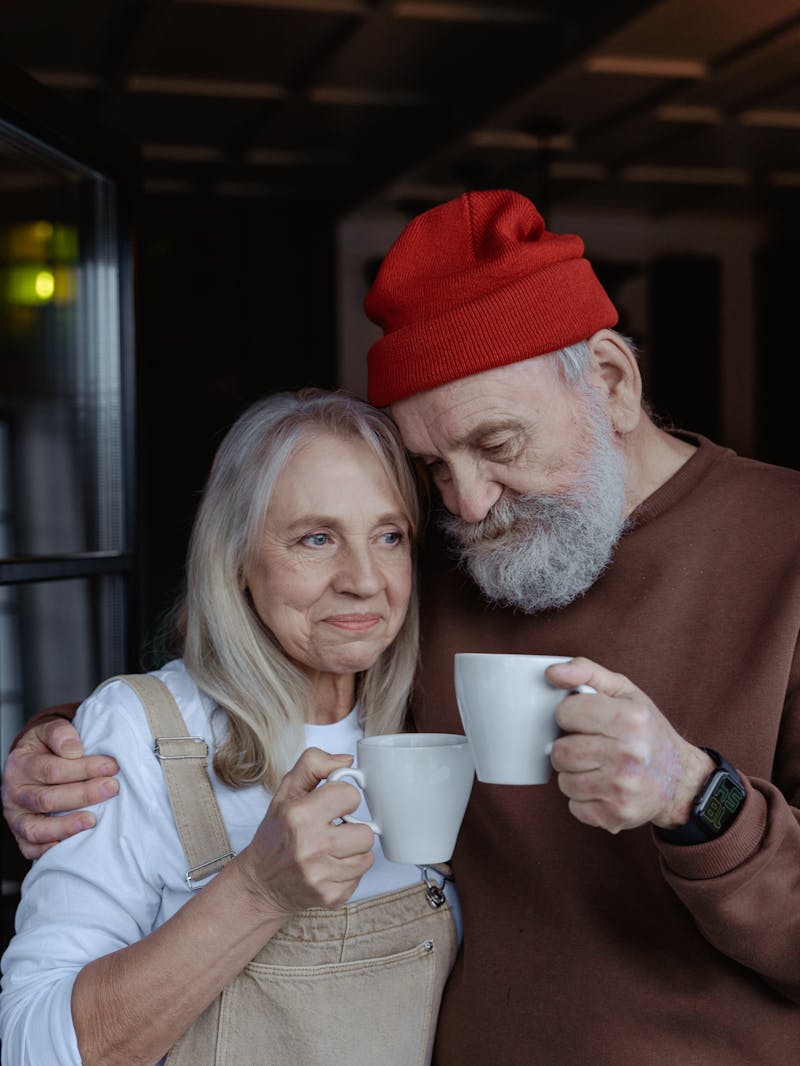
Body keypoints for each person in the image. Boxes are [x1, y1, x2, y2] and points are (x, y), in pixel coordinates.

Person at [5, 188, 800, 1064]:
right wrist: (77, 746)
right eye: (432, 470)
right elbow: (296, 639)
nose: (468, 503)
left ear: (610, 382)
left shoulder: (784, 547)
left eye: (496, 445)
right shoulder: (458, 551)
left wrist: (699, 796)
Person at [0, 388, 459, 1066]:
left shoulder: (437, 719)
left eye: (389, 536)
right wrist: (257, 891)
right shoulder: (137, 735)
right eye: (317, 538)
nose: (365, 580)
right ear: (237, 558)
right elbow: (33, 1047)